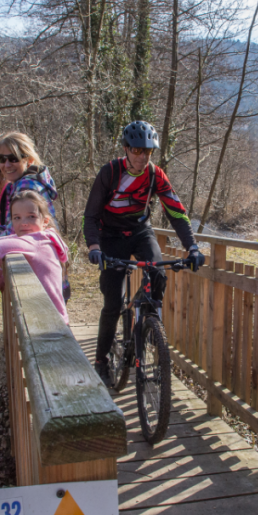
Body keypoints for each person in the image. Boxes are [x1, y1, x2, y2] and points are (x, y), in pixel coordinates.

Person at [84, 120, 204, 384]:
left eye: (147, 151)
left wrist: (192, 246)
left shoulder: (154, 174)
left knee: (158, 272)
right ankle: (101, 360)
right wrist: (94, 246)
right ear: (126, 149)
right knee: (113, 303)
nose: (141, 156)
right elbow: (91, 215)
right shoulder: (110, 173)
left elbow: (175, 211)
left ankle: (150, 325)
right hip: (111, 236)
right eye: (136, 150)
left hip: (140, 230)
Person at [0, 191, 70, 324]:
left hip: (49, 324)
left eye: (31, 216)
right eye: (17, 218)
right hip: (52, 319)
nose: (24, 223)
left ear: (45, 221)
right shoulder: (45, 237)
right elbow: (8, 240)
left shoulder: (36, 242)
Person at [0, 132, 59, 243]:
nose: (7, 165)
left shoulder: (26, 186)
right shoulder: (18, 184)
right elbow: (14, 227)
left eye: (13, 158)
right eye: (2, 159)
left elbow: (15, 234)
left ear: (29, 160)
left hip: (36, 255)